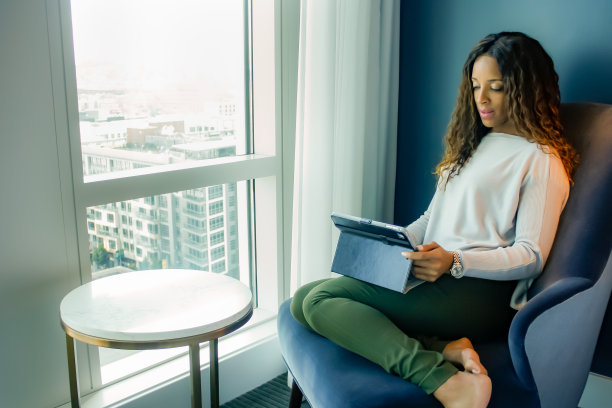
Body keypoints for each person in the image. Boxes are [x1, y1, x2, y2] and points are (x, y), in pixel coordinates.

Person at [290, 31, 578, 408]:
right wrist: (395, 245)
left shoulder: (539, 159)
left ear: (526, 89)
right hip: (434, 274)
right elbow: (432, 218)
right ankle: (444, 348)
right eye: (475, 86)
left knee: (322, 299)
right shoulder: (477, 143)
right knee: (301, 301)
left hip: (476, 293)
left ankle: (442, 379)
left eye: (497, 88)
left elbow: (531, 254)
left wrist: (455, 262)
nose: (482, 99)